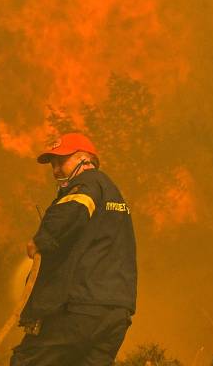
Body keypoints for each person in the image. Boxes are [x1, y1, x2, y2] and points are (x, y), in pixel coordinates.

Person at [10, 132, 137, 366]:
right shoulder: (111, 192)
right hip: (116, 312)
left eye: (61, 161)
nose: (56, 170)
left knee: (30, 361)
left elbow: (70, 213)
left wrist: (41, 239)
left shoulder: (87, 185)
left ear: (85, 159)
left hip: (78, 308)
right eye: (53, 164)